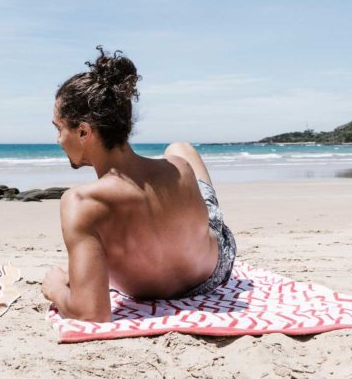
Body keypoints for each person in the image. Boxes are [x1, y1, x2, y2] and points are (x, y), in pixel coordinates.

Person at [42, 47, 237, 322]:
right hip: (213, 273)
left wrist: (56, 289)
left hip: (148, 290)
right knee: (180, 149)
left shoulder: (81, 203)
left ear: (84, 131)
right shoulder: (179, 168)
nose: (58, 139)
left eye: (59, 128)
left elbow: (91, 313)